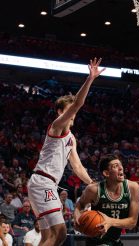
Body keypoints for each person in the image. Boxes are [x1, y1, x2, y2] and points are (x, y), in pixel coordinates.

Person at [27, 57, 105, 246]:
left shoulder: (71, 139)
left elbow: (77, 166)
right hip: (43, 182)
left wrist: (93, 184)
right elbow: (78, 103)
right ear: (60, 112)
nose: (73, 112)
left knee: (48, 237)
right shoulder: (56, 126)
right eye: (68, 109)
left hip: (45, 184)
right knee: (60, 233)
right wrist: (90, 79)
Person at [74, 155, 139, 246]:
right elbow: (80, 204)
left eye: (120, 165)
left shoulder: (133, 187)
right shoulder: (93, 189)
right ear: (106, 173)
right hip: (95, 241)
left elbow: (132, 222)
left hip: (115, 241)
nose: (121, 168)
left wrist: (110, 221)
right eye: (115, 166)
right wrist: (77, 217)